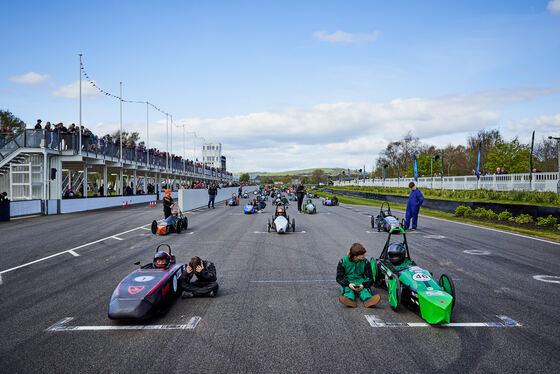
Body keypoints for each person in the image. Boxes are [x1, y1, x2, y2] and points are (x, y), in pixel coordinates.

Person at [336, 243, 380, 308]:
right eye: (362, 254)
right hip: (348, 281)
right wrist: (348, 284)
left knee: (365, 290)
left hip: (361, 281)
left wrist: (363, 285)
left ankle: (368, 300)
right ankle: (350, 300)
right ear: (355, 256)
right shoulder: (343, 262)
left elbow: (370, 278)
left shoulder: (366, 262)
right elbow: (339, 278)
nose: (364, 255)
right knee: (347, 290)